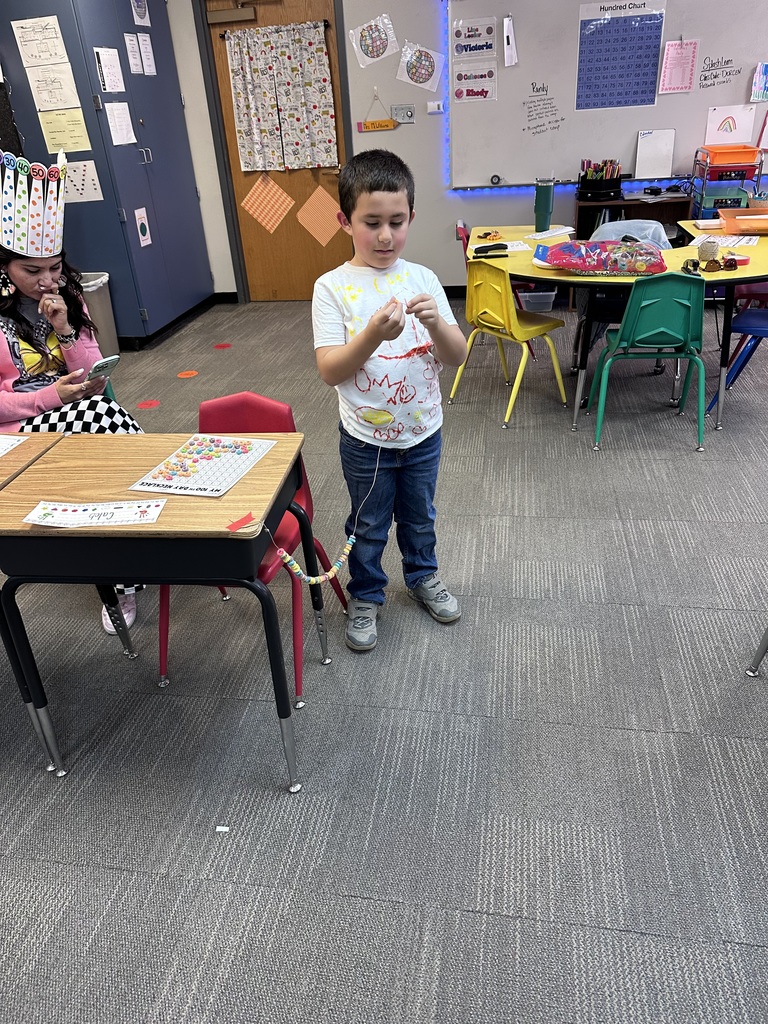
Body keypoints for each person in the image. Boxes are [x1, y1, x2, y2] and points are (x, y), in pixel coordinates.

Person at [312, 149, 468, 652]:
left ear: (411, 218)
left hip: (423, 431)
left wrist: (437, 323)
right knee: (368, 522)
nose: (385, 236)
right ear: (345, 221)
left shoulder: (423, 279)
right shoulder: (331, 288)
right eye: (371, 223)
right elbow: (330, 370)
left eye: (396, 223)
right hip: (366, 439)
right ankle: (366, 593)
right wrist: (373, 336)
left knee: (420, 516)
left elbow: (458, 355)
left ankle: (423, 576)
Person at [0, 150, 143, 632]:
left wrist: (64, 328)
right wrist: (51, 398)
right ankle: (129, 572)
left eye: (54, 267)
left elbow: (89, 370)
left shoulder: (66, 295)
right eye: (31, 271)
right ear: (4, 267)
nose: (46, 281)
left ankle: (132, 548)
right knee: (109, 424)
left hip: (77, 410)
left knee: (106, 427)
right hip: (16, 428)